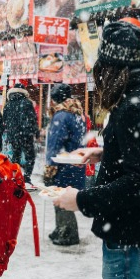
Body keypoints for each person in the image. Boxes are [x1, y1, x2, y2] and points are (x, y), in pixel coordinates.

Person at [54, 21, 140, 279]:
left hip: (130, 236)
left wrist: (81, 200)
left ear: (111, 67)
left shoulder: (136, 106)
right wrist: (108, 152)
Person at [45, 83, 86, 246]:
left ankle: (67, 233)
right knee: (65, 197)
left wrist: (50, 165)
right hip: (74, 163)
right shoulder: (77, 114)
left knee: (60, 198)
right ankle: (61, 229)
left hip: (62, 163)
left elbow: (55, 143)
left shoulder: (61, 116)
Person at [3, 86, 38, 186]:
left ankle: (15, 176)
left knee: (16, 155)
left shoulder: (8, 105)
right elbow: (32, 119)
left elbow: (5, 120)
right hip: (26, 134)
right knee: (30, 156)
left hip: (13, 135)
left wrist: (11, 131)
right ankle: (27, 177)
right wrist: (36, 132)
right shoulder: (27, 103)